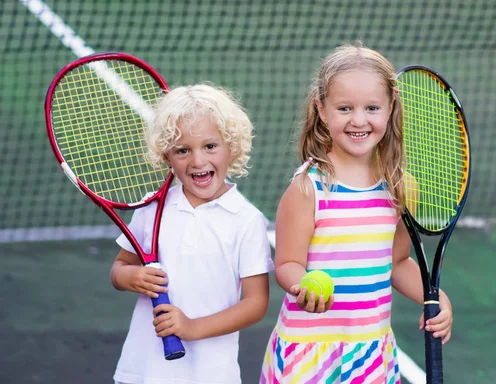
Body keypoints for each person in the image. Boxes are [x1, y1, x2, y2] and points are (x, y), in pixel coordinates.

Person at [260, 43, 453, 383]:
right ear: (321, 109)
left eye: (372, 107)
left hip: (370, 353)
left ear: (391, 107)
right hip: (309, 350)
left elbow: (397, 263)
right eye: (345, 108)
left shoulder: (401, 188)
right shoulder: (308, 188)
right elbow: (287, 264)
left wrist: (436, 298)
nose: (359, 120)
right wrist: (302, 285)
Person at [110, 84, 273, 384]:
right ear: (166, 156)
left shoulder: (247, 220)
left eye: (210, 146)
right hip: (142, 371)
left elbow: (255, 303)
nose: (198, 161)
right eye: (182, 150)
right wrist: (131, 278)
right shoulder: (152, 209)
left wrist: (191, 327)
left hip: (210, 374)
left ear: (232, 147)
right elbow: (119, 269)